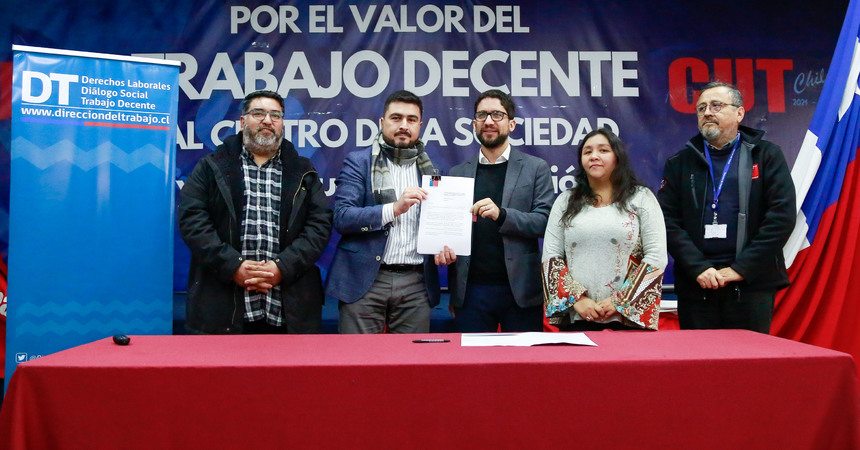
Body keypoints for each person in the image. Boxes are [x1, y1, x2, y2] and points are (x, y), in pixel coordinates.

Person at [178, 90, 332, 334]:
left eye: (275, 115)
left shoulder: (304, 170)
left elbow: (320, 225)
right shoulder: (211, 166)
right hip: (221, 308)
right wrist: (233, 266)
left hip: (288, 311)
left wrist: (282, 267)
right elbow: (192, 221)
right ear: (242, 121)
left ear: (282, 123)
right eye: (258, 113)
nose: (267, 120)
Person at [658, 81, 795, 333]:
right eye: (701, 108)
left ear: (739, 113)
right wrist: (699, 267)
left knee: (749, 358)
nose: (707, 112)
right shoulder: (679, 163)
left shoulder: (767, 156)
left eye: (716, 105)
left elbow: (781, 218)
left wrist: (741, 269)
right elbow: (667, 222)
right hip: (697, 285)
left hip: (751, 285)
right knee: (699, 358)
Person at [434, 90, 553, 332]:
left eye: (497, 114)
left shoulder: (535, 168)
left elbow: (544, 222)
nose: (489, 121)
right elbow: (450, 230)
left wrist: (503, 215)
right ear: (474, 124)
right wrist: (442, 248)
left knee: (524, 357)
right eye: (482, 115)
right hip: (471, 293)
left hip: (520, 291)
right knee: (472, 358)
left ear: (511, 124)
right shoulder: (457, 173)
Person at [326, 90, 440, 333]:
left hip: (416, 283)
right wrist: (394, 209)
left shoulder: (433, 171)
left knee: (411, 358)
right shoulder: (359, 162)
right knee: (358, 357)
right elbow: (343, 217)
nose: (403, 125)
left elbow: (440, 226)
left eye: (411, 119)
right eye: (396, 118)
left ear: (420, 126)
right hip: (365, 279)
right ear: (382, 122)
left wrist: (445, 246)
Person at [542, 128, 667, 331]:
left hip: (627, 319)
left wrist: (621, 301)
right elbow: (551, 256)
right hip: (579, 315)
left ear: (617, 157)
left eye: (603, 150)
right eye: (588, 151)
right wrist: (577, 300)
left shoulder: (641, 198)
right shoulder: (565, 201)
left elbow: (656, 256)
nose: (594, 156)